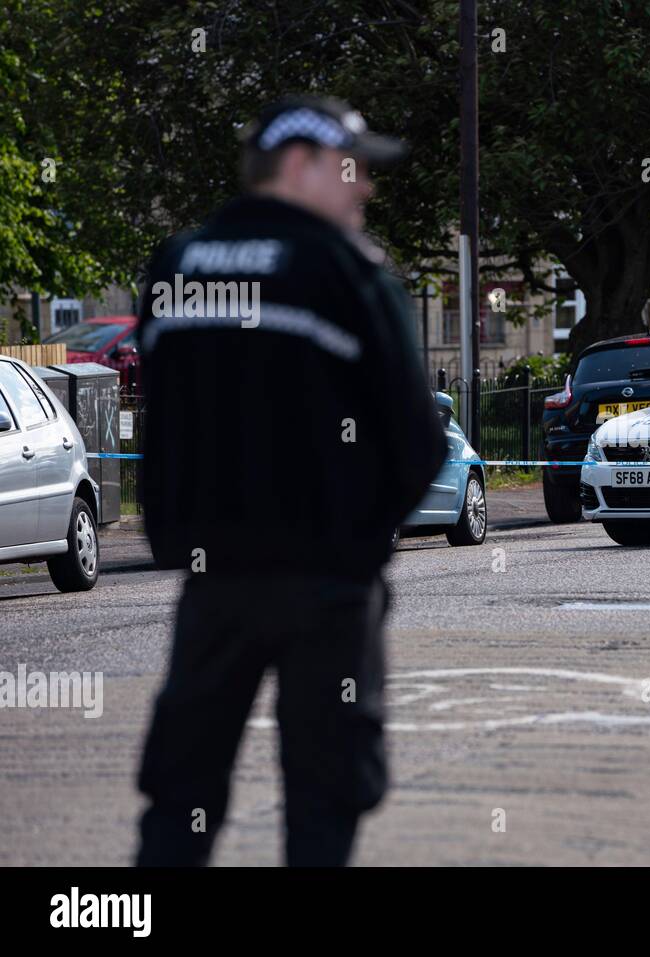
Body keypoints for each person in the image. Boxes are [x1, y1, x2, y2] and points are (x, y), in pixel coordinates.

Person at [134, 95, 446, 866]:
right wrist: (363, 537)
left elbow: (159, 423)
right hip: (328, 583)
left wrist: (181, 535)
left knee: (182, 789)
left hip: (214, 582)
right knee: (324, 796)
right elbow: (417, 436)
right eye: (354, 168)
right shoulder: (348, 270)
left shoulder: (180, 262)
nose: (366, 188)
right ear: (302, 164)